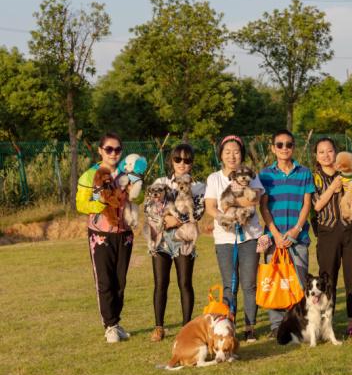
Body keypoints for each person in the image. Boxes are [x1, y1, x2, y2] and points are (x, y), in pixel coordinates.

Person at [76, 132, 139, 343]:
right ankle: (109, 325)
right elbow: (81, 204)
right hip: (100, 234)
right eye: (109, 149)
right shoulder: (91, 175)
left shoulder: (127, 173)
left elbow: (138, 197)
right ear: (100, 150)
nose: (113, 153)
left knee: (120, 281)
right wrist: (104, 202)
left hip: (124, 234)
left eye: (117, 149)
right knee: (104, 281)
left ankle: (116, 322)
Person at [204, 135, 264, 342]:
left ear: (242, 154)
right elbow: (211, 206)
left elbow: (254, 199)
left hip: (250, 236)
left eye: (236, 152)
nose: (232, 156)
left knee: (249, 284)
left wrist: (230, 204)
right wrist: (224, 215)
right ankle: (228, 324)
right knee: (230, 284)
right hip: (224, 239)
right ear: (221, 154)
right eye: (227, 152)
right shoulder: (214, 178)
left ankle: (250, 327)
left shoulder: (250, 175)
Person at [259, 130, 315, 338]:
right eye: (279, 144)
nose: (284, 148)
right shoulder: (264, 175)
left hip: (298, 238)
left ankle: (297, 323)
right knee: (275, 281)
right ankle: (276, 326)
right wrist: (275, 234)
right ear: (273, 148)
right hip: (274, 238)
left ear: (294, 147)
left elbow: (307, 204)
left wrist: (295, 230)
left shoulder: (304, 173)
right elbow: (263, 207)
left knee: (299, 283)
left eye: (288, 144)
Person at [147, 143, 205, 342]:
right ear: (171, 161)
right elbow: (149, 208)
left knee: (184, 283)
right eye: (178, 159)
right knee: (160, 283)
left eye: (187, 160)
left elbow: (198, 212)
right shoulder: (161, 182)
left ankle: (186, 327)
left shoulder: (198, 187)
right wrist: (164, 221)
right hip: (162, 240)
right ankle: (159, 327)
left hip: (184, 239)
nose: (182, 163)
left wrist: (177, 220)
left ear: (192, 163)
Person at [312, 137, 352, 337]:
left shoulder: (350, 172)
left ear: (336, 152)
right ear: (316, 156)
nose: (326, 155)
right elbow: (317, 206)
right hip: (328, 231)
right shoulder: (315, 178)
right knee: (327, 277)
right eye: (321, 152)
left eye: (330, 151)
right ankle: (327, 322)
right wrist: (333, 187)